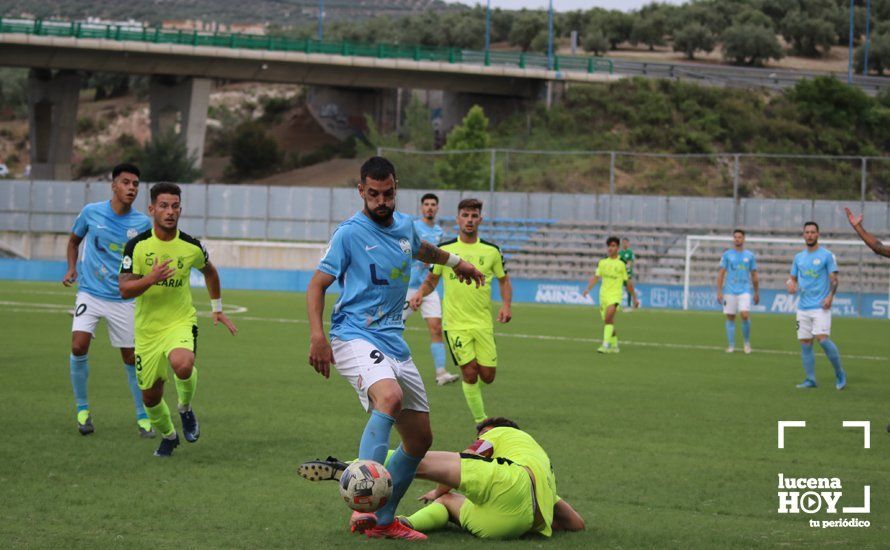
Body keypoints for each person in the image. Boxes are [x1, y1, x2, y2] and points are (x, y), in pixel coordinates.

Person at [306, 157, 485, 540]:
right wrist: (317, 336)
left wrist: (458, 263)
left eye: (388, 193)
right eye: (373, 194)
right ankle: (363, 501)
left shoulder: (404, 225)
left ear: (395, 188)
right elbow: (316, 285)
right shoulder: (349, 233)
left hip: (394, 342)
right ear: (361, 191)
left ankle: (384, 522)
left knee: (420, 440)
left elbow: (420, 249)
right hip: (353, 335)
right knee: (389, 397)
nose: (381, 201)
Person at [298, 417, 586, 539]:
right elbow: (576, 524)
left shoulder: (503, 433)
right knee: (450, 503)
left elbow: (469, 457)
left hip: (511, 482)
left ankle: (348, 466)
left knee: (415, 459)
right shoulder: (546, 472)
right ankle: (405, 523)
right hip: (513, 525)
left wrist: (437, 490)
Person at [119, 183, 238, 457]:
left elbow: (210, 273)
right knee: (150, 396)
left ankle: (185, 408)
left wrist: (216, 308)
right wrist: (151, 278)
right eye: (163, 206)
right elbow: (124, 290)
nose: (170, 212)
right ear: (151, 209)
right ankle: (169, 436)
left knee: (183, 365)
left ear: (180, 210)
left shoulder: (191, 246)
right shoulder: (136, 247)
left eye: (175, 206)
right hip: (147, 330)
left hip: (180, 322)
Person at [62, 163, 153, 437]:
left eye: (135, 184)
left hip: (123, 299)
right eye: (126, 182)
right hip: (90, 292)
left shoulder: (142, 224)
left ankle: (142, 416)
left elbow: (146, 259)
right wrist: (71, 268)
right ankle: (82, 410)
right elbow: (73, 241)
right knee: (78, 346)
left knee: (130, 357)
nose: (131, 188)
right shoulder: (91, 212)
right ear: (113, 185)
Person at [410, 198, 512, 425]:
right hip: (455, 324)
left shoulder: (492, 251)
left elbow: (504, 281)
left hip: (483, 323)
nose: (469, 220)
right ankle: (481, 420)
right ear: (458, 219)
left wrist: (506, 306)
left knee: (487, 376)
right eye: (465, 215)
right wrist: (419, 294)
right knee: (469, 372)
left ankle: (480, 412)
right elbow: (431, 280)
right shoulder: (445, 251)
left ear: (480, 220)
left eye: (474, 216)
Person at [402, 193, 460, 386]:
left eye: (433, 204)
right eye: (426, 204)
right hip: (407, 288)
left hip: (429, 287)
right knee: (394, 327)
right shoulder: (413, 227)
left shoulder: (438, 232)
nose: (429, 207)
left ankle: (441, 373)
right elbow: (403, 251)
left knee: (436, 328)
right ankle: (385, 365)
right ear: (421, 208)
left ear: (437, 208)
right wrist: (420, 256)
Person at [786, 221, 845, 390]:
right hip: (802, 308)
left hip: (821, 306)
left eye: (813, 232)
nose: (810, 235)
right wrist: (790, 285)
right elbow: (793, 279)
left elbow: (834, 279)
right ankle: (810, 379)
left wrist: (830, 296)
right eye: (807, 232)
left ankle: (840, 372)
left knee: (822, 339)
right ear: (803, 235)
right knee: (805, 343)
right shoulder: (798, 258)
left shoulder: (827, 255)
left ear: (818, 234)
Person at [583, 237, 639, 353]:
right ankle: (615, 345)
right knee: (608, 321)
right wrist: (588, 289)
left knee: (608, 318)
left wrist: (634, 297)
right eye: (609, 246)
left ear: (617, 248)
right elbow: (596, 277)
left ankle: (605, 345)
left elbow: (627, 282)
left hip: (615, 296)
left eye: (613, 246)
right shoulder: (602, 262)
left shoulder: (621, 264)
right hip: (603, 296)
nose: (610, 248)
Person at [716, 229, 759, 354]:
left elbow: (754, 275)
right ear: (733, 239)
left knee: (745, 315)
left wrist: (756, 292)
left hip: (744, 290)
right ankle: (731, 345)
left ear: (744, 239)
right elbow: (721, 274)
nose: (737, 239)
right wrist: (719, 291)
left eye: (740, 237)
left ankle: (746, 343)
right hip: (729, 291)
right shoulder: (727, 255)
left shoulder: (749, 256)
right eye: (735, 237)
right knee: (730, 317)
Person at [618, 238, 635, 310]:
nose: (624, 244)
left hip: (627, 273)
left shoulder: (630, 252)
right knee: (617, 288)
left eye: (625, 242)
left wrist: (626, 266)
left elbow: (630, 262)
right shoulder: (620, 252)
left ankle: (629, 305)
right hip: (620, 273)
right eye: (623, 242)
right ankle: (616, 304)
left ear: (628, 243)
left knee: (628, 289)